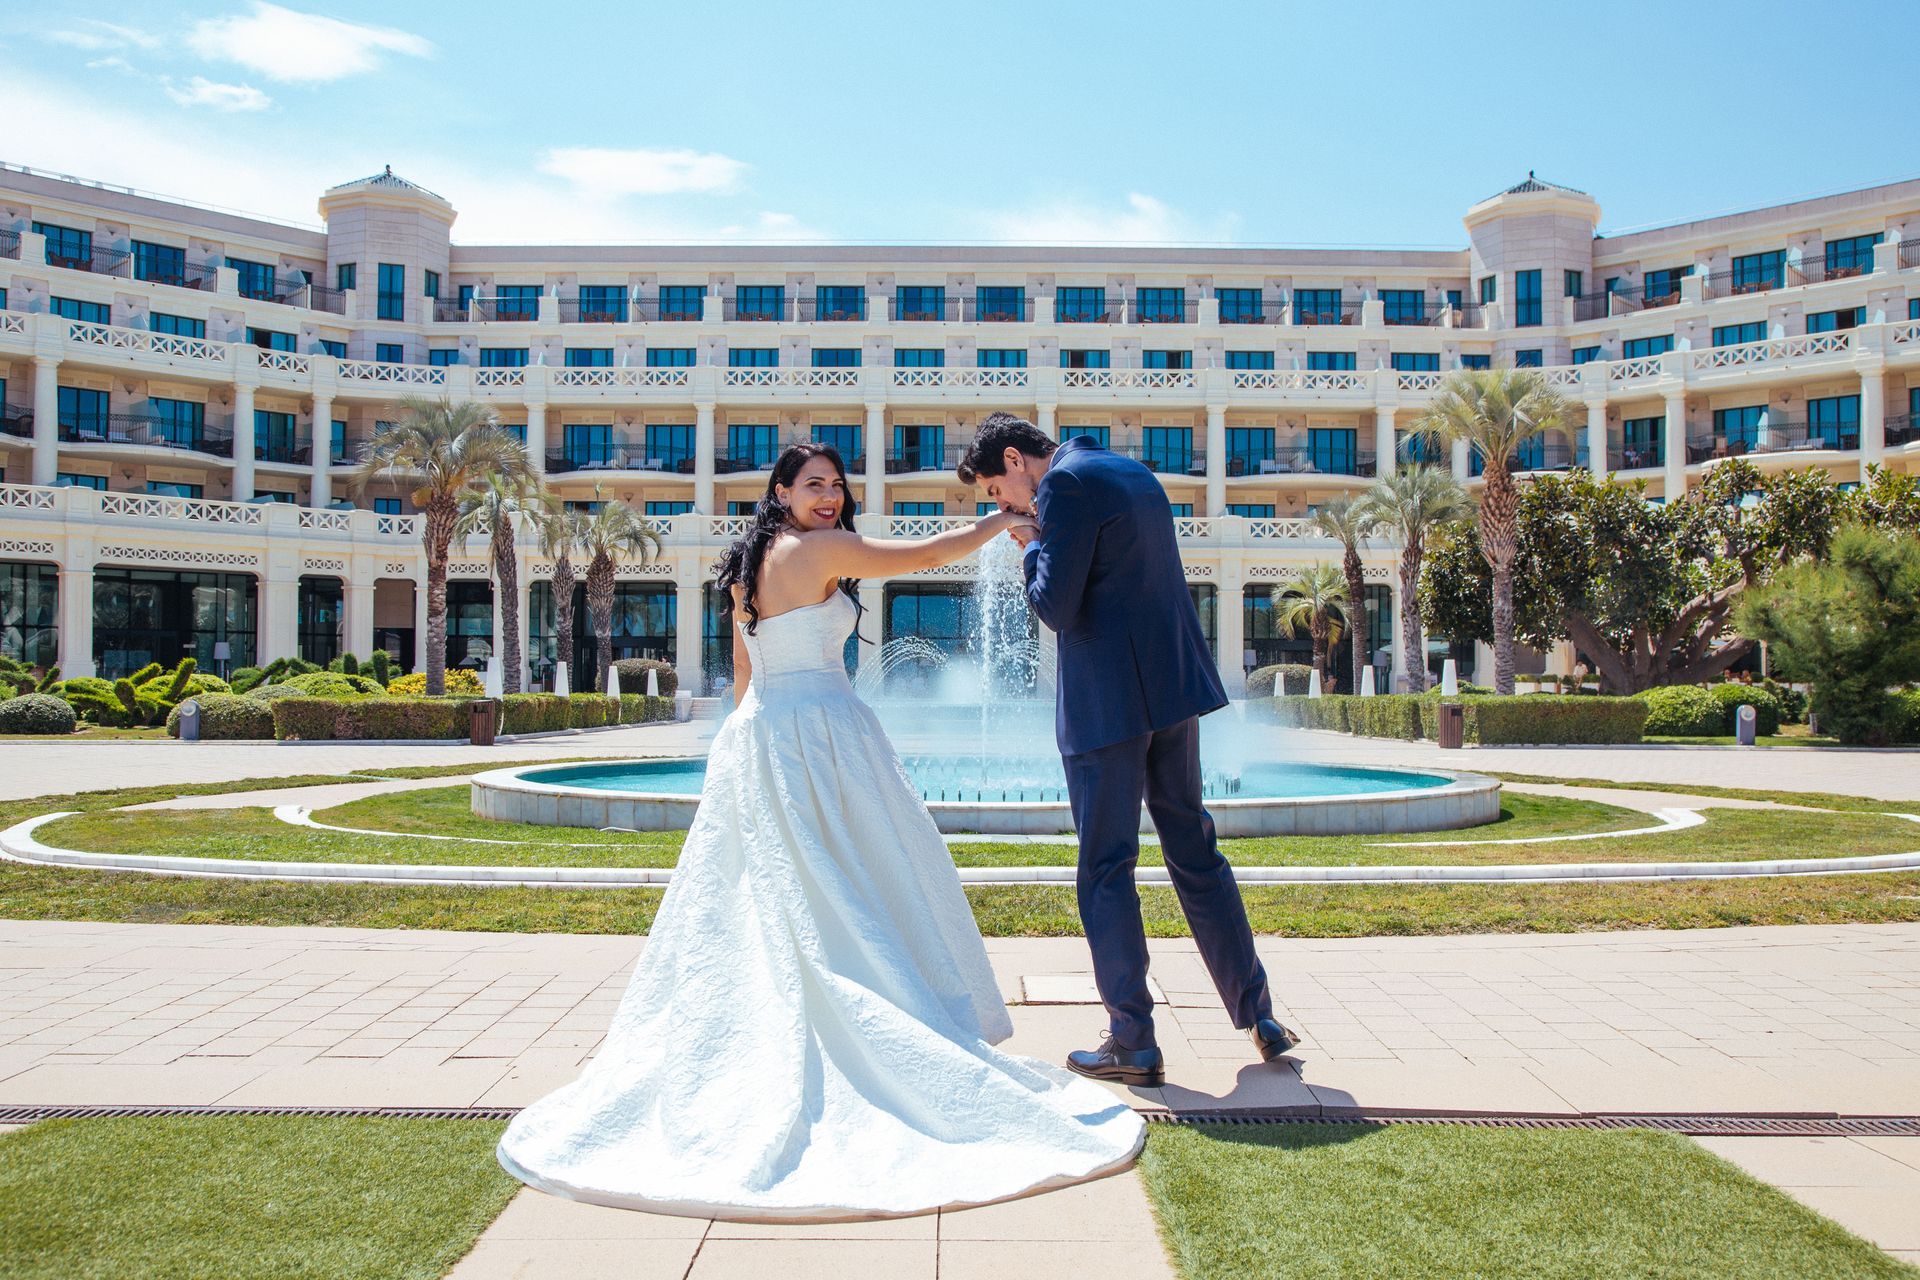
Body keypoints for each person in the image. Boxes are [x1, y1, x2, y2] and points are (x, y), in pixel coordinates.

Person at [496, 443, 1144, 1221]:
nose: (830, 496)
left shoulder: (751, 563)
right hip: (822, 733)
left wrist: (737, 746)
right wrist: (999, 521)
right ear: (780, 491)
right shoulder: (818, 549)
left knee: (782, 897)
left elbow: (745, 673)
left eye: (836, 485)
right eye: (814, 485)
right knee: (849, 881)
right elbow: (922, 555)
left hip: (766, 734)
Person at [961, 413, 1298, 1087]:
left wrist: (1031, 544)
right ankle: (1258, 1014)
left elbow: (1054, 607)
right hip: (1171, 691)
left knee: (1106, 867)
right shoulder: (1132, 471)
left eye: (998, 492)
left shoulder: (1062, 488)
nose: (1003, 507)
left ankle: (1133, 1041)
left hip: (1107, 707)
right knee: (1195, 849)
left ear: (1016, 460)